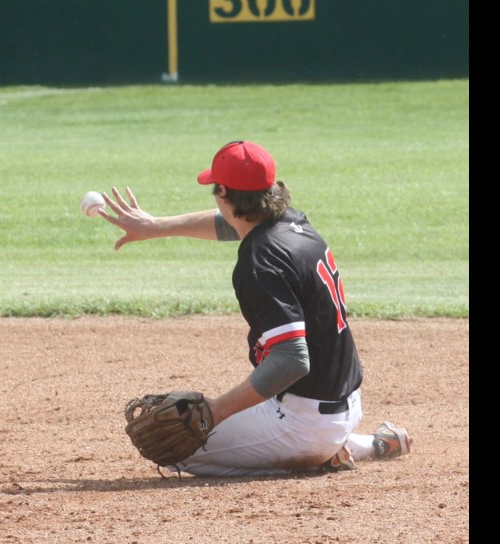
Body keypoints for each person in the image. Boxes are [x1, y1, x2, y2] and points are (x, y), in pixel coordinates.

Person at [98, 140, 412, 475]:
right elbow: (232, 223)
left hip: (303, 423)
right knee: (216, 423)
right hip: (343, 402)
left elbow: (292, 361)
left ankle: (325, 454)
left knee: (180, 448)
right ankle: (359, 443)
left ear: (222, 193)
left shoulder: (258, 264)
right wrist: (157, 226)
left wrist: (217, 411)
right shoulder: (294, 225)